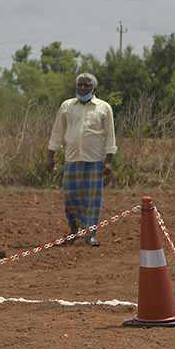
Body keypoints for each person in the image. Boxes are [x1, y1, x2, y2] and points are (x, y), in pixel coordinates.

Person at [46, 72, 117, 247]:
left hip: (95, 160)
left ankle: (91, 234)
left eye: (87, 85)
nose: (83, 88)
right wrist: (51, 156)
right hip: (72, 159)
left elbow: (110, 136)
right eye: (80, 85)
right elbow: (57, 132)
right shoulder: (67, 106)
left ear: (94, 88)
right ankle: (73, 230)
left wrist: (108, 161)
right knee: (70, 197)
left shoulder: (104, 107)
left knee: (92, 199)